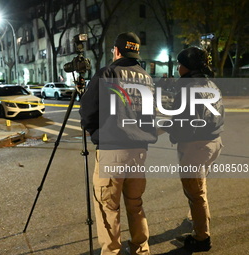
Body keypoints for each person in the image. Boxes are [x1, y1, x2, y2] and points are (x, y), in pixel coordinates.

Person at [80, 32, 157, 255]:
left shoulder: (108, 72)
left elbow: (88, 111)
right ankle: (141, 249)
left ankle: (112, 252)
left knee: (108, 208)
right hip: (139, 151)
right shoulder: (146, 77)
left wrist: (95, 132)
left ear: (116, 50)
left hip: (112, 151)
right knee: (135, 204)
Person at [160, 46, 225, 252]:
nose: (178, 68)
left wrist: (165, 130)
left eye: (180, 65)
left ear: (188, 67)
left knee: (195, 193)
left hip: (196, 147)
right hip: (214, 144)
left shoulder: (187, 88)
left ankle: (201, 238)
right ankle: (200, 220)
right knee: (200, 188)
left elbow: (187, 123)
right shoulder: (210, 84)